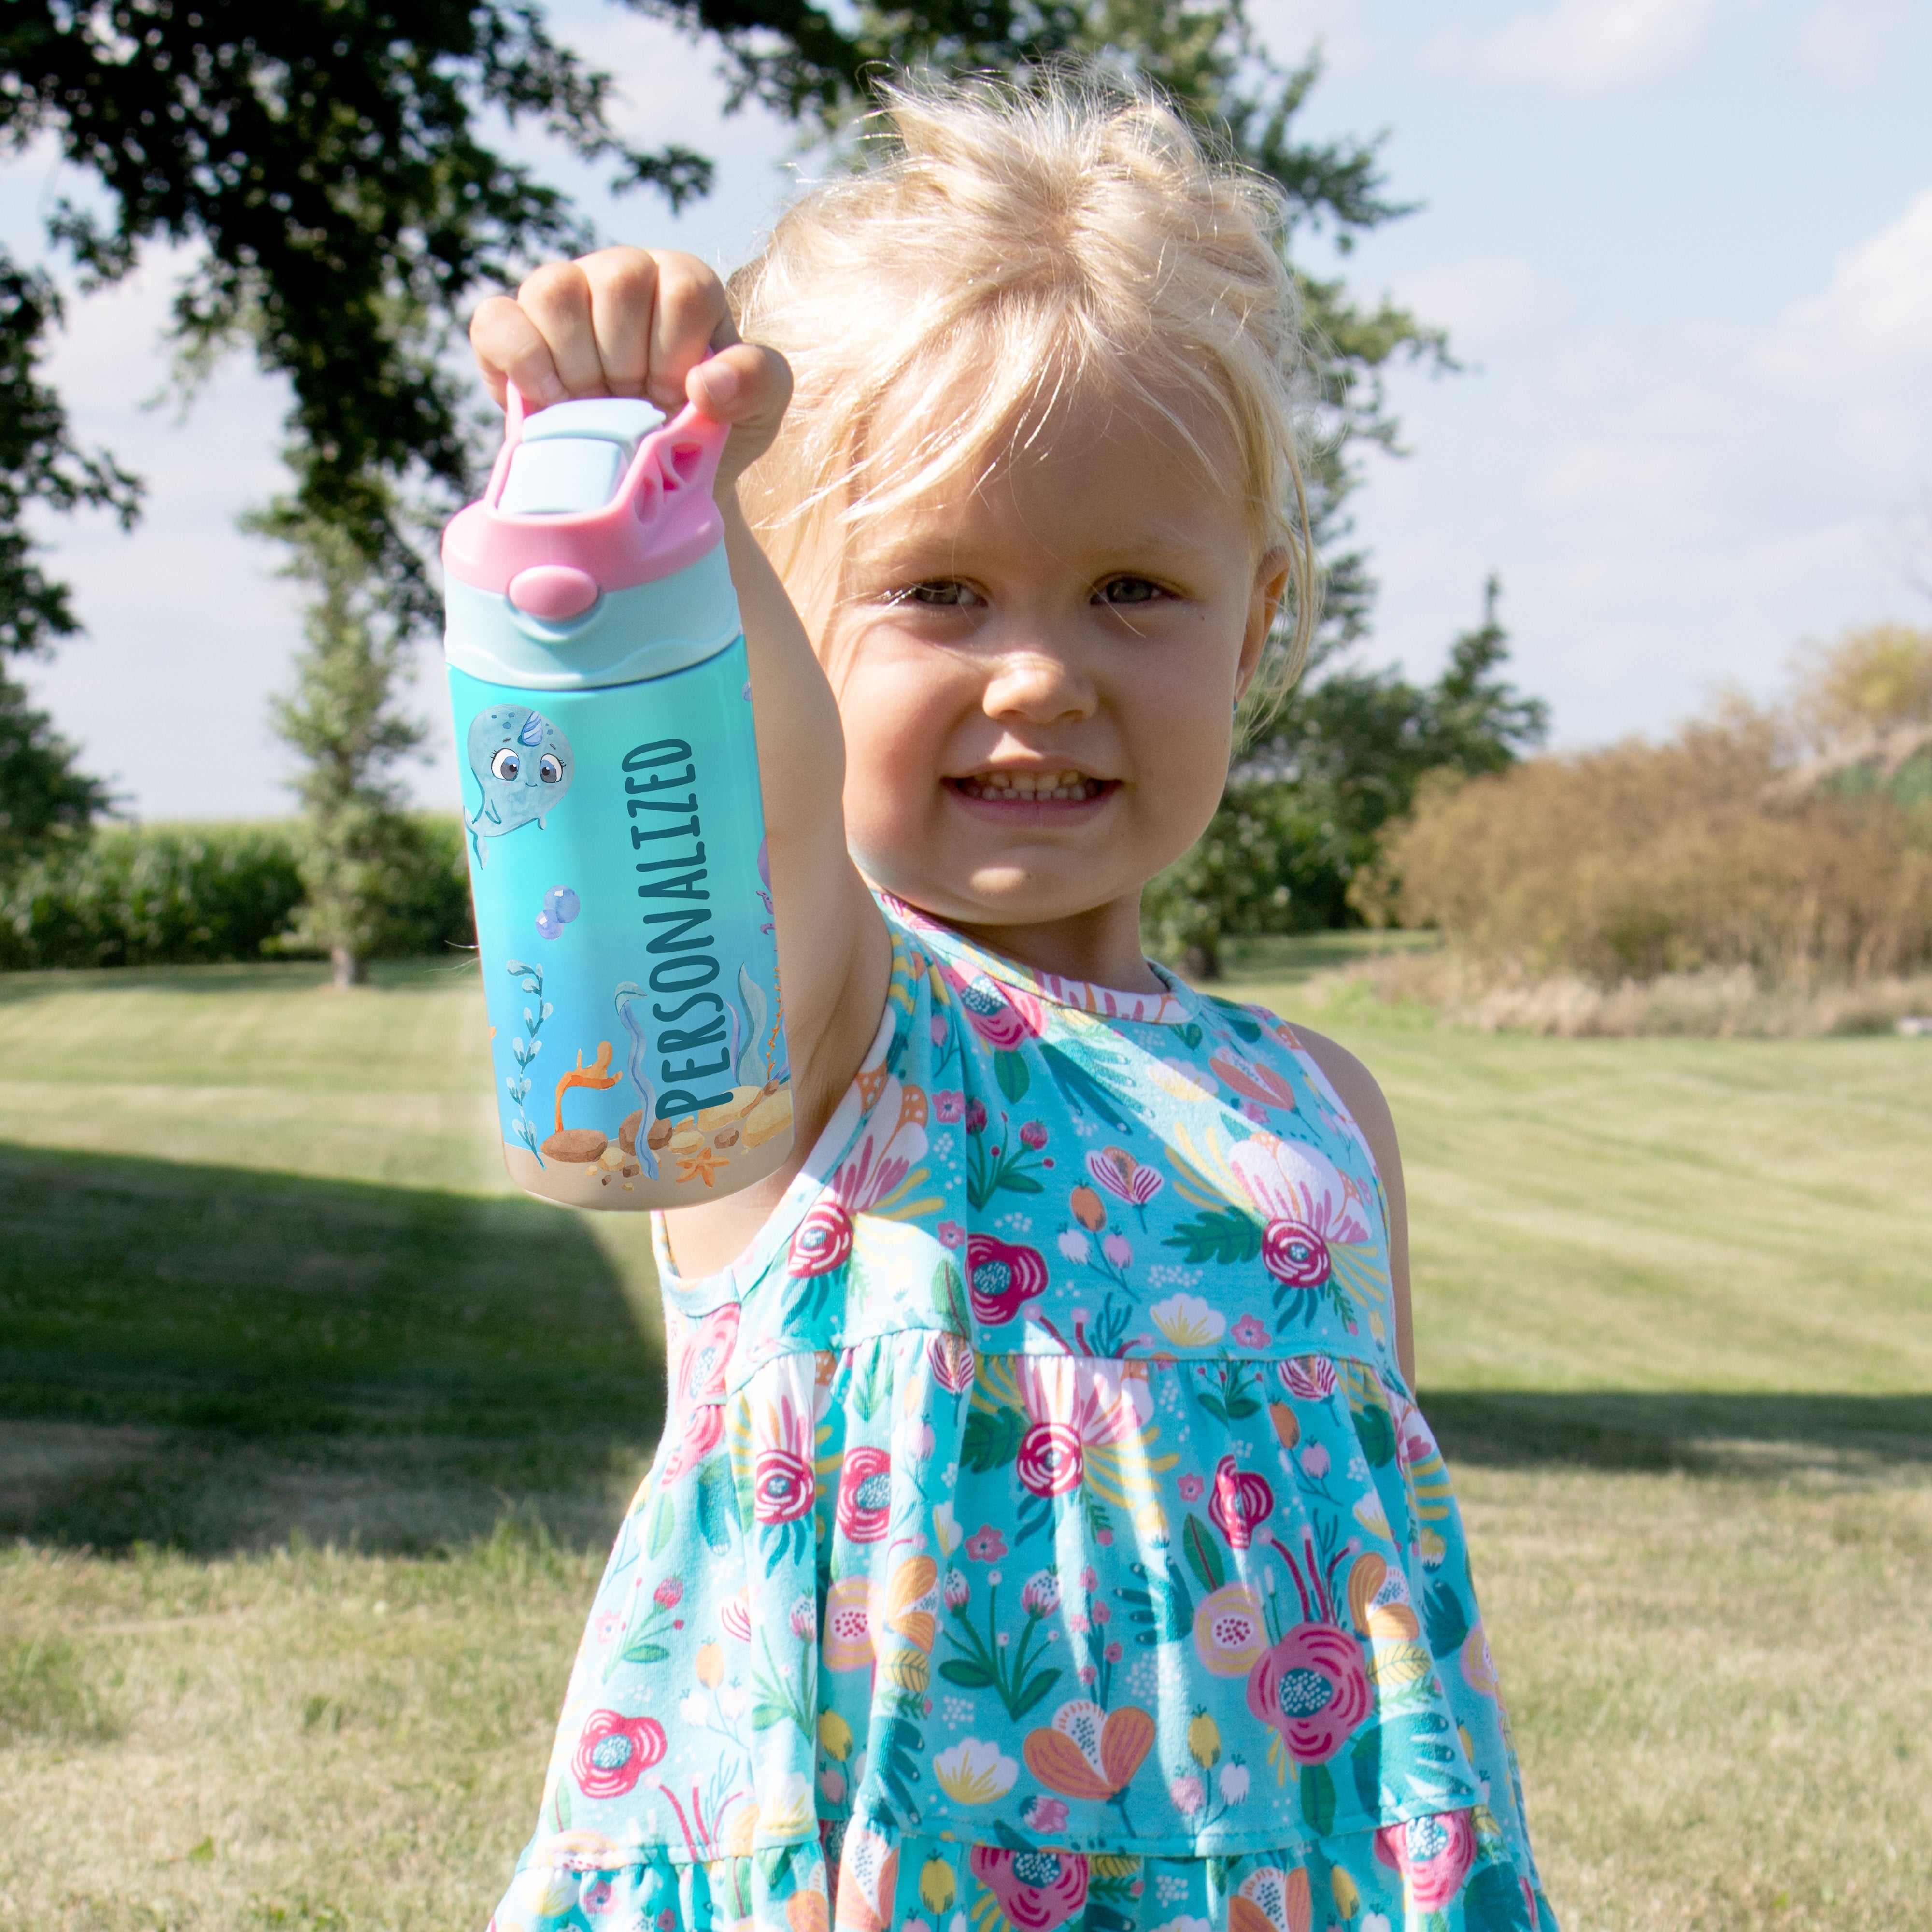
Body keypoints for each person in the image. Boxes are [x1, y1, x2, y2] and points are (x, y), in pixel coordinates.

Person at [469, 73, 1558, 1932]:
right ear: (775, 624)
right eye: (938, 592)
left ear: (1255, 621)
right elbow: (760, 804)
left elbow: (1374, 1590)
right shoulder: (830, 1033)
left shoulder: (1319, 1110)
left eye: (1133, 588)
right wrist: (654, 509)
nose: (1040, 673)